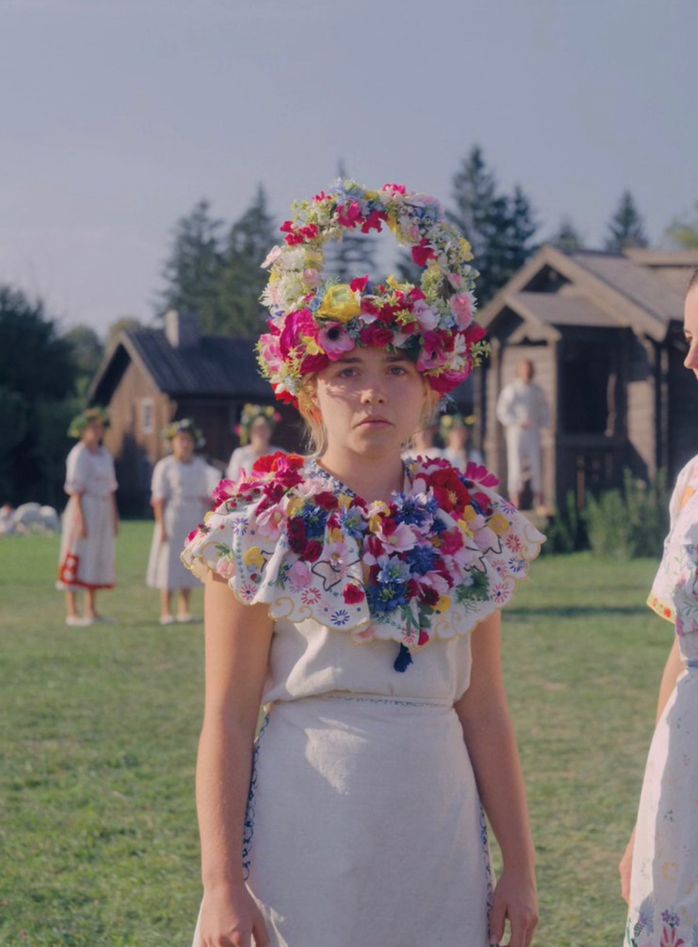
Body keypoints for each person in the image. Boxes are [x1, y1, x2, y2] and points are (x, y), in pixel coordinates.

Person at [182, 181, 543, 947]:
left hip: (434, 833)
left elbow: (484, 710)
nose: (372, 390)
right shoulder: (259, 524)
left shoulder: (468, 522)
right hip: (303, 829)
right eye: (347, 370)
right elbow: (229, 714)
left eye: (398, 369)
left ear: (429, 389)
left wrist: (520, 865)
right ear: (309, 391)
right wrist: (221, 882)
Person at [620, 239, 698, 947]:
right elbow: (681, 651)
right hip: (690, 753)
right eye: (690, 338)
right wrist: (645, 817)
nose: (692, 358)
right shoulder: (697, 477)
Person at [57, 407, 118, 626]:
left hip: (102, 508)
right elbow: (76, 489)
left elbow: (111, 488)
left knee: (97, 554)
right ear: (83, 430)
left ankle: (91, 610)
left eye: (99, 427)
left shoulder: (104, 455)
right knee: (78, 552)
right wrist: (81, 520)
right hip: (84, 507)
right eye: (92, 427)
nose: (97, 432)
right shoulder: (79, 453)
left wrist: (114, 517)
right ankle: (72, 610)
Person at [146, 419, 211, 625]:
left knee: (190, 560)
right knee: (169, 561)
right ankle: (166, 610)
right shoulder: (165, 466)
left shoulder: (200, 466)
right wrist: (161, 526)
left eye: (188, 440)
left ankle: (184, 609)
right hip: (172, 516)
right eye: (181, 440)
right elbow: (159, 499)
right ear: (172, 442)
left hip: (193, 515)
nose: (185, 444)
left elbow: (206, 495)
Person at [496, 360, 550, 510]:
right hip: (516, 431)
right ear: (519, 370)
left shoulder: (537, 390)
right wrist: (516, 422)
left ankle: (539, 499)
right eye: (524, 369)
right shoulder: (512, 389)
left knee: (536, 462)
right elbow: (502, 410)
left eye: (529, 369)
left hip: (533, 431)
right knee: (516, 463)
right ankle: (515, 499)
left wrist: (544, 424)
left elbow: (544, 410)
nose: (526, 372)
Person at [226, 404, 282, 481]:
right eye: (257, 429)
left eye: (264, 428)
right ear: (250, 432)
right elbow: (232, 480)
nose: (261, 432)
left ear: (270, 431)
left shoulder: (279, 454)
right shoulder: (240, 454)